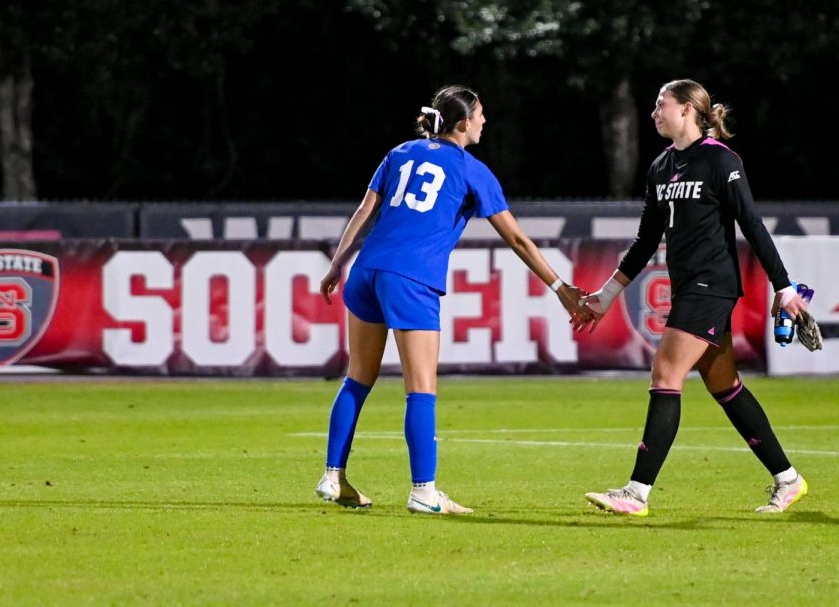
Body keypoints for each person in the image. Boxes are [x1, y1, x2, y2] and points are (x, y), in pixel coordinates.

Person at [315, 85, 589, 515]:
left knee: (357, 378)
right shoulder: (470, 168)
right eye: (480, 115)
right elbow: (516, 238)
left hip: (366, 271)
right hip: (411, 278)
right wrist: (560, 288)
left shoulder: (401, 152)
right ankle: (424, 491)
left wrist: (337, 264)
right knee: (421, 390)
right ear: (463, 123)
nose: (484, 122)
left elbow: (365, 210)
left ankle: (333, 476)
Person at [578, 78, 812, 516]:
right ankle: (789, 479)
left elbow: (753, 225)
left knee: (665, 374)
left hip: (712, 286)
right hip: (689, 288)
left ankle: (636, 493)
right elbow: (646, 239)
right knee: (726, 387)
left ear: (687, 109)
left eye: (660, 104)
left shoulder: (721, 161)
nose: (654, 112)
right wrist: (607, 294)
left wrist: (784, 287)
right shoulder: (661, 167)